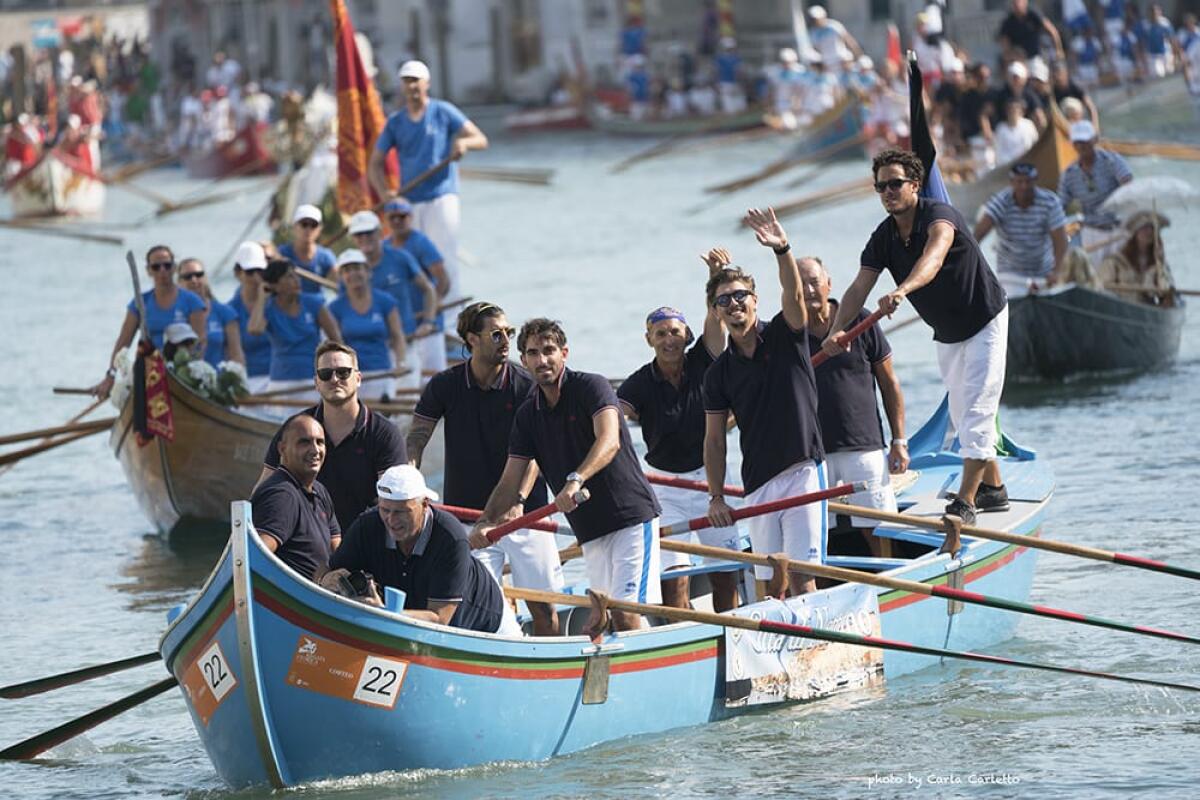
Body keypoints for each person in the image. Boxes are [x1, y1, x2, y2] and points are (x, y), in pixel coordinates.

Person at [821, 149, 1009, 551]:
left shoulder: (939, 216)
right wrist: (837, 331)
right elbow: (858, 289)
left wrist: (902, 290)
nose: (888, 192)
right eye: (881, 186)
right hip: (948, 331)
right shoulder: (883, 238)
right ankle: (994, 487)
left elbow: (934, 258)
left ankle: (966, 501)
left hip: (984, 321)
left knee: (976, 413)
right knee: (962, 412)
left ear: (915, 185)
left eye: (895, 184)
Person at [472, 319, 662, 632]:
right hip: (590, 528)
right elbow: (509, 482)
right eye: (533, 353)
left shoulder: (592, 386)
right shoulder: (527, 415)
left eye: (549, 351)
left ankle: (654, 677)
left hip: (630, 517)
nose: (542, 360)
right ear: (524, 361)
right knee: (606, 616)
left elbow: (610, 440)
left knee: (627, 615)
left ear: (564, 353)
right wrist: (484, 521)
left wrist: (575, 479)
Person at [407, 302, 565, 635]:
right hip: (469, 520)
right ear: (471, 339)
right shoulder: (445, 384)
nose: (506, 339)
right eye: (497, 333)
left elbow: (535, 455)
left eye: (509, 332)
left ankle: (544, 676)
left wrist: (518, 500)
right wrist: (410, 476)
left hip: (527, 516)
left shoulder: (526, 386)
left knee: (544, 608)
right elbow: (418, 436)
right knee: (479, 613)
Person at [702, 210, 825, 597]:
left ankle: (812, 648)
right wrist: (717, 495)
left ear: (755, 301)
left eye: (741, 296)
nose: (734, 304)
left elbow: (791, 292)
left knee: (803, 579)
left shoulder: (787, 335)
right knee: (770, 586)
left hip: (802, 471)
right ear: (717, 311)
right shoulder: (717, 374)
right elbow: (715, 440)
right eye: (725, 300)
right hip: (757, 485)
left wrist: (782, 250)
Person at [617, 253, 739, 612]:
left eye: (675, 332)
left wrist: (716, 278)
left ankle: (728, 631)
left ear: (687, 335)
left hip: (711, 481)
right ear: (648, 339)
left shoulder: (704, 357)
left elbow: (716, 321)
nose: (669, 340)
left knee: (725, 574)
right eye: (660, 334)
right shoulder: (638, 383)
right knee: (674, 582)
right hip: (665, 488)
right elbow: (614, 417)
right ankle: (686, 641)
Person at [799, 256, 907, 559]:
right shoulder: (787, 332)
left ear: (828, 284)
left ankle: (891, 584)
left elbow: (889, 383)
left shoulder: (860, 319)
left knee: (879, 530)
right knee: (813, 537)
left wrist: (899, 441)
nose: (808, 290)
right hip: (813, 455)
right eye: (800, 284)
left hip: (864, 446)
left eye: (814, 282)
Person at [330, 465, 517, 634]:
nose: (391, 520)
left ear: (425, 505)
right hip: (414, 625)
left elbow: (439, 618)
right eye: (385, 510)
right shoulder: (367, 526)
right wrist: (327, 580)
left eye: (401, 512)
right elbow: (328, 570)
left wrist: (383, 612)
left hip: (490, 628)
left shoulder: (451, 537)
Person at [368, 59, 489, 303]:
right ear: (402, 86)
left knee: (444, 257)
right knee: (412, 259)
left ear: (427, 83)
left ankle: (452, 315)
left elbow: (480, 139)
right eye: (407, 81)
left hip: (441, 196)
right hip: (410, 201)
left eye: (416, 81)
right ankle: (421, 312)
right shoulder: (395, 122)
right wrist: (385, 195)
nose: (412, 87)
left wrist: (463, 143)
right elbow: (375, 164)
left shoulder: (443, 112)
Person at [257, 341, 408, 531]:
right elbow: (264, 491)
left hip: (365, 542)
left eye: (343, 372)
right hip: (306, 543)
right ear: (316, 383)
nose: (335, 379)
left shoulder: (385, 434)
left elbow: (393, 502)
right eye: (325, 374)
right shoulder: (293, 429)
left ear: (358, 378)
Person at [91, 245, 207, 400]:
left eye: (167, 265)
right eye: (156, 267)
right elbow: (123, 342)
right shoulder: (140, 303)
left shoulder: (192, 301)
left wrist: (189, 374)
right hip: (149, 373)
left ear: (174, 268)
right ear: (149, 271)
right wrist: (110, 376)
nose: (162, 271)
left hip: (182, 374)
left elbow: (200, 343)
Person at [250, 413, 340, 582]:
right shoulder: (282, 495)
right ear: (282, 449)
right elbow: (254, 558)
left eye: (320, 442)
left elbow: (338, 550)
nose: (315, 450)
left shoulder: (320, 491)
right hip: (295, 599)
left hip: (324, 595)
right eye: (304, 442)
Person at [248, 258, 341, 400]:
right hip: (281, 381)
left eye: (296, 275)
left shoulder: (313, 303)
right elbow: (255, 329)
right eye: (289, 277)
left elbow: (336, 339)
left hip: (313, 378)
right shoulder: (268, 309)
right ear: (275, 285)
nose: (297, 280)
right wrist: (261, 298)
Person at [974, 162, 1069, 295]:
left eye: (1028, 182)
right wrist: (974, 267)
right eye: (1019, 182)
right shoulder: (1001, 202)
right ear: (1012, 182)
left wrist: (1057, 271)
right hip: (1010, 274)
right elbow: (977, 234)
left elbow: (1060, 240)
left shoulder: (1050, 202)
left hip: (1043, 272)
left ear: (1035, 181)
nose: (1024, 187)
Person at [382, 197, 450, 380]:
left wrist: (431, 311)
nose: (397, 221)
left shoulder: (421, 243)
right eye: (392, 217)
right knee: (407, 379)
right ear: (386, 219)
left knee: (435, 380)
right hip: (402, 326)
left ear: (410, 217)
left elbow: (443, 280)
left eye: (402, 217)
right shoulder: (383, 247)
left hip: (427, 324)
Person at [328, 248, 407, 401]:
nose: (353, 274)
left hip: (382, 373)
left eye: (357, 268)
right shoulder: (334, 307)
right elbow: (334, 344)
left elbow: (397, 336)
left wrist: (401, 363)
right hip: (350, 377)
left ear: (368, 271)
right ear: (342, 276)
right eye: (347, 270)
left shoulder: (385, 301)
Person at [1058, 120, 1133, 255]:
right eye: (1078, 142)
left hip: (1118, 229)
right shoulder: (1069, 174)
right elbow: (1060, 205)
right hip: (1091, 232)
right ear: (1073, 145)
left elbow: (1128, 184)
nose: (1082, 146)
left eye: (1085, 141)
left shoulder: (1112, 160)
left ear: (1094, 140)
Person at [1097, 209, 1176, 305]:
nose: (1149, 232)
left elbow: (1164, 290)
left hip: (1148, 311)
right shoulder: (1114, 262)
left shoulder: (1159, 265)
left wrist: (1158, 265)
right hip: (1120, 307)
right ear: (1135, 233)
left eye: (1152, 228)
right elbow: (1100, 287)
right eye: (1144, 228)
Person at [177, 257, 245, 368]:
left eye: (199, 275)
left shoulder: (225, 312)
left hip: (218, 380)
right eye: (187, 277)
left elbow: (236, 355)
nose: (194, 280)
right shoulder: (174, 314)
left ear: (205, 278)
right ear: (179, 282)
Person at [227, 241, 273, 393]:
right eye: (249, 271)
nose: (255, 278)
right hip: (249, 381)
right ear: (237, 274)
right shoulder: (229, 310)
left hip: (279, 378)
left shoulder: (278, 304)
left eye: (260, 271)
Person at [278, 204, 337, 295]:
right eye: (304, 224)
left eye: (313, 225)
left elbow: (339, 285)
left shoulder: (326, 257)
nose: (308, 229)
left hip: (317, 307)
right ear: (295, 227)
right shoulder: (281, 254)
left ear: (319, 229)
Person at [997, 0, 1063, 62]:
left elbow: (1052, 31)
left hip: (1036, 56)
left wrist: (1058, 49)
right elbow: (1004, 41)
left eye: (1019, 2)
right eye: (1015, 3)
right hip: (1018, 59)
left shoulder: (1033, 15)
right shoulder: (1008, 21)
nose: (1017, 5)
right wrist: (1009, 55)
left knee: (1037, 72)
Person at [808, 5, 862, 72]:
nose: (816, 20)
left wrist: (859, 56)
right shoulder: (813, 32)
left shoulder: (834, 26)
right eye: (814, 19)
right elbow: (815, 49)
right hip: (827, 65)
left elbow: (849, 40)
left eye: (817, 18)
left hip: (842, 62)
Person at [1051, 62, 1100, 127]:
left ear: (1065, 73)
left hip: (1078, 116)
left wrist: (1095, 126)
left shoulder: (1075, 86)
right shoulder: (1052, 91)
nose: (1057, 77)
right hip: (1062, 121)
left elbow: (1090, 107)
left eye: (1059, 74)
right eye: (1055, 75)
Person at [993, 98, 1039, 166]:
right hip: (1006, 166)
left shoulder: (1029, 125)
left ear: (1021, 111)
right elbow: (998, 151)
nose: (1013, 112)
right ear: (1007, 112)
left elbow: (1036, 144)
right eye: (1011, 109)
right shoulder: (1001, 129)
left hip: (1027, 163)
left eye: (1016, 109)